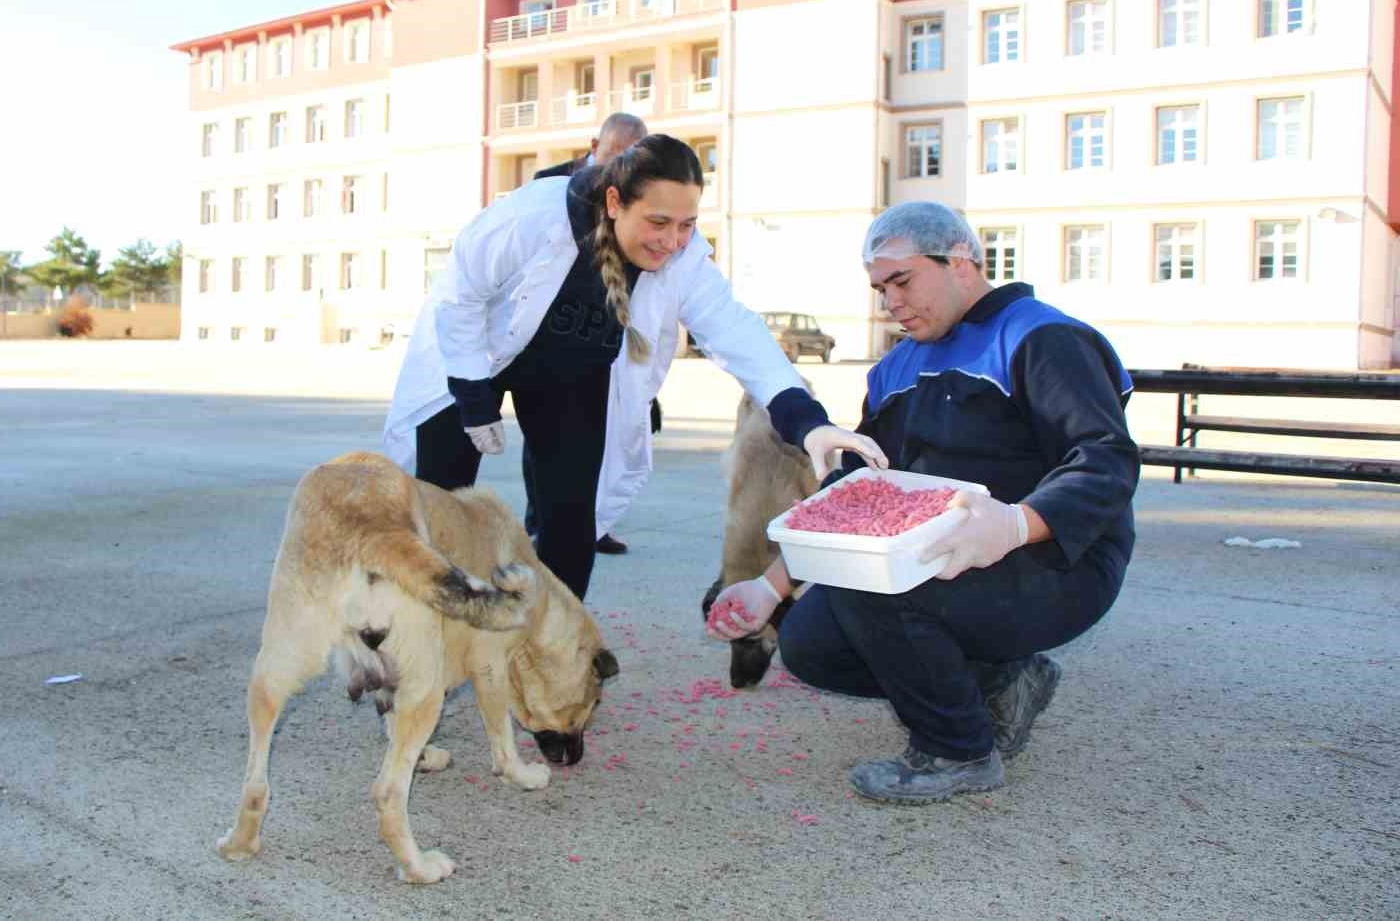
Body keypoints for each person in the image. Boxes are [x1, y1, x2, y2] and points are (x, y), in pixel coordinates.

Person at [707, 200, 1138, 804]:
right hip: (941, 564)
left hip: (1057, 564)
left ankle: (957, 751)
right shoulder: (895, 368)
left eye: (902, 281)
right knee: (810, 642)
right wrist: (771, 587)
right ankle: (1001, 680)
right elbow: (855, 499)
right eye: (881, 289)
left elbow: (1106, 460)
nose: (892, 304)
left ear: (960, 261)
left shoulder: (1043, 338)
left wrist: (1016, 525)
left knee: (878, 589)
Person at [383, 134, 885, 601]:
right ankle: (425, 643)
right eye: (659, 222)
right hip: (474, 356)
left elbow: (737, 331)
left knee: (570, 518)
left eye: (687, 224)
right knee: (441, 503)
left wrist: (808, 421)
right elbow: (460, 295)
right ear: (615, 203)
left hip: (569, 378)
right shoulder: (532, 217)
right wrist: (472, 395)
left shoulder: (684, 260)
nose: (673, 241)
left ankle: (555, 651)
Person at [524, 113, 650, 556]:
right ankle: (539, 522)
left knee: (594, 444)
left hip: (602, 333)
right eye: (614, 157)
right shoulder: (549, 184)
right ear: (594, 144)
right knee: (544, 441)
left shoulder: (639, 199)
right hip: (541, 336)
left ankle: (592, 524)